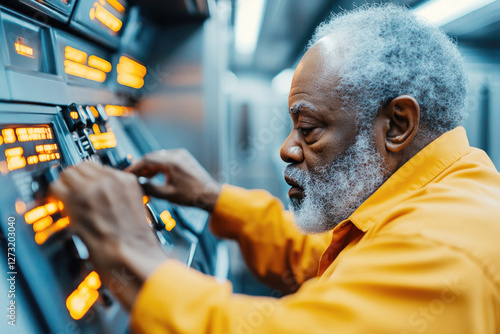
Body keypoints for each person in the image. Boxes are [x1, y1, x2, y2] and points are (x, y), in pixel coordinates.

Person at [50, 4, 500, 334]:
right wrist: (212, 197)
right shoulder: (443, 189)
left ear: (397, 124)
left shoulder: (443, 251)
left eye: (309, 128)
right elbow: (323, 258)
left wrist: (131, 252)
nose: (287, 149)